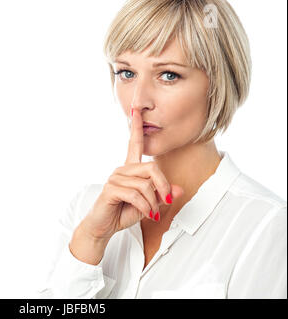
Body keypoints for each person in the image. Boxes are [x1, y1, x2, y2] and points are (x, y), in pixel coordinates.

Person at [37, 0, 287, 299]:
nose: (137, 101)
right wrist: (91, 239)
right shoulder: (86, 210)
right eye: (126, 73)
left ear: (219, 82)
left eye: (168, 75)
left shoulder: (266, 226)